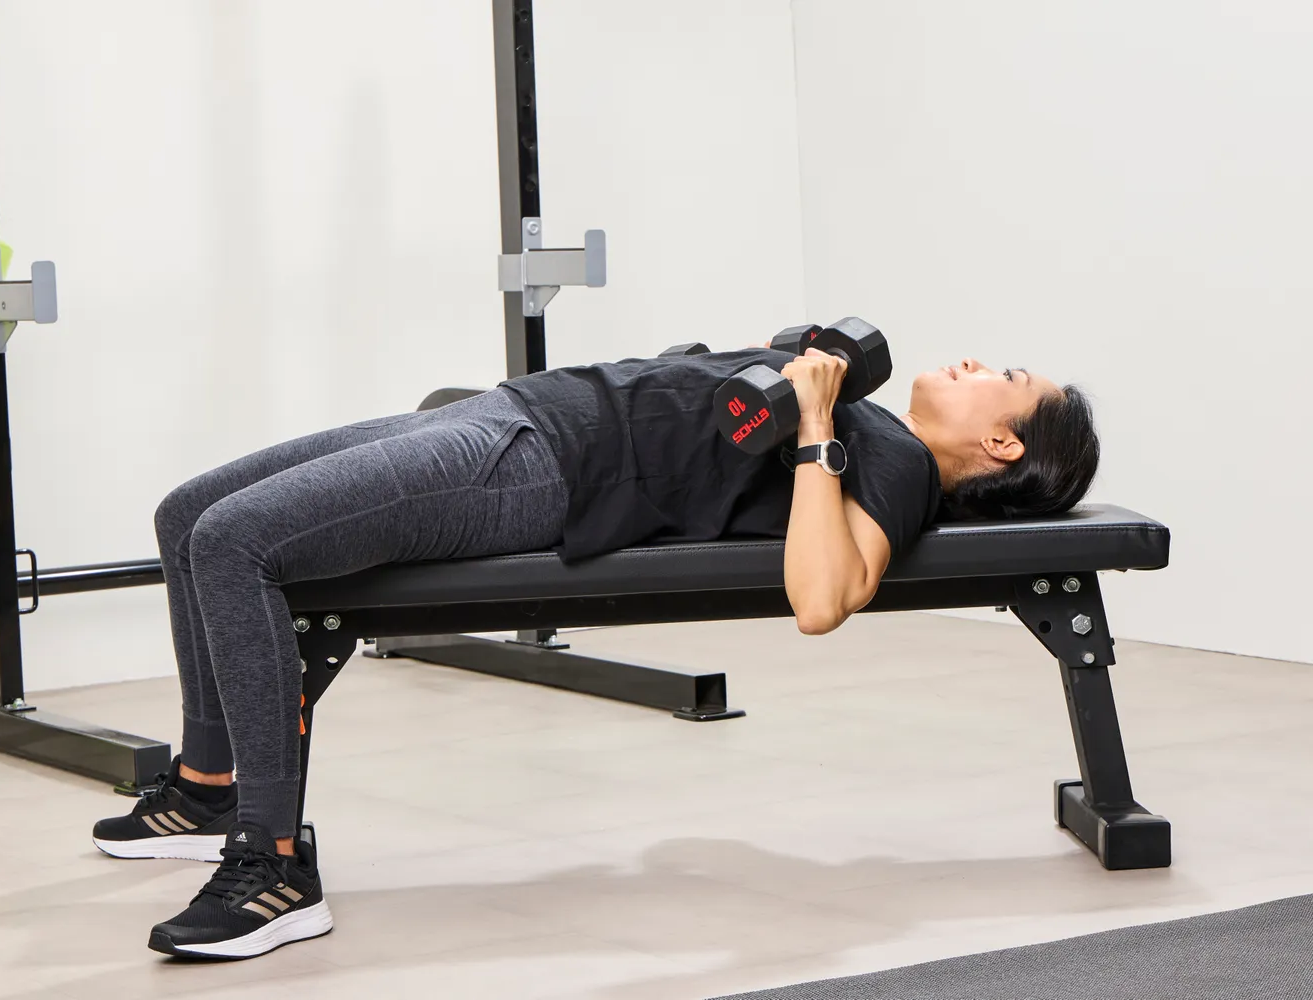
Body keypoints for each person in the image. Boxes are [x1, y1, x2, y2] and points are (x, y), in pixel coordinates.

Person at [91, 343, 1100, 959]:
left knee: (236, 542)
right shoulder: (862, 412)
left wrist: (819, 424)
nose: (976, 363)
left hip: (537, 466)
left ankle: (269, 865)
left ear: (1005, 446)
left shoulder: (888, 463)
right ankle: (208, 781)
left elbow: (823, 595)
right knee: (189, 512)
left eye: (1002, 379)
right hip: (520, 410)